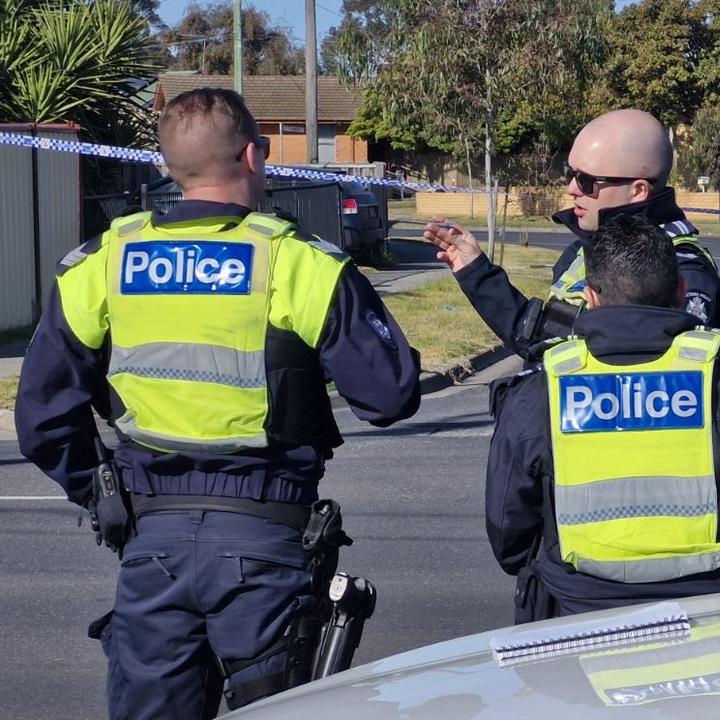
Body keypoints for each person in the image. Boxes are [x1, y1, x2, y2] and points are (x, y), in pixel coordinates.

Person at [15, 88, 421, 719]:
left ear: (168, 166)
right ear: (255, 157)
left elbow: (41, 418)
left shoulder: (101, 264)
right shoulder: (299, 264)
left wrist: (102, 494)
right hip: (268, 542)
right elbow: (389, 396)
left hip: (151, 542)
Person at [485, 215, 720, 622]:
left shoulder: (544, 388)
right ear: (681, 292)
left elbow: (509, 535)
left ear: (590, 296)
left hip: (577, 618)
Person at [425, 109, 720, 358]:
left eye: (586, 180)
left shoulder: (679, 267)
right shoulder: (582, 250)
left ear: (638, 189)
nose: (571, 189)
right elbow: (541, 342)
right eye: (570, 174)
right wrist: (476, 271)